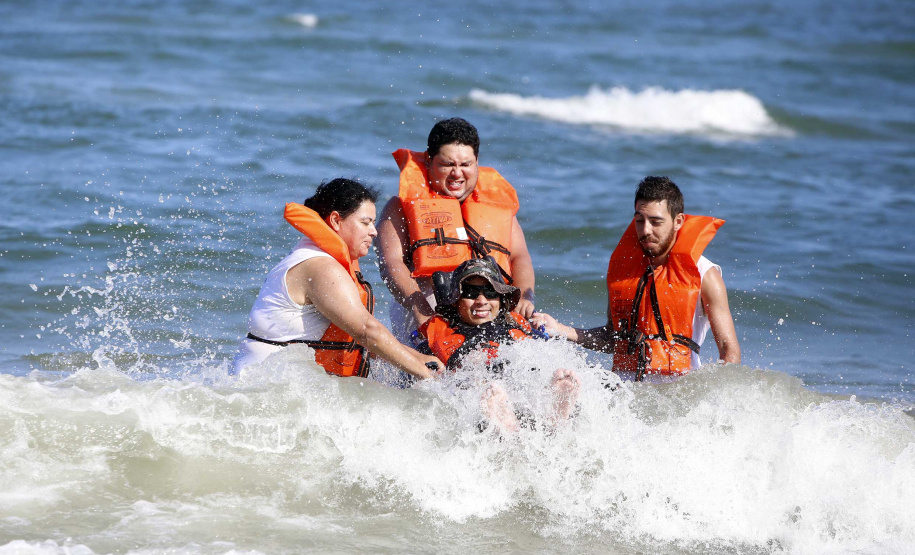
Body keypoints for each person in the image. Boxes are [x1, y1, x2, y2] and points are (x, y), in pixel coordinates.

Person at [233, 178, 443, 380]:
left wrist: (420, 358)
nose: (374, 231)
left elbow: (365, 341)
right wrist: (426, 376)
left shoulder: (313, 256)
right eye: (365, 222)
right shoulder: (321, 267)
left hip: (276, 381)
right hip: (265, 387)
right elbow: (367, 331)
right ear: (335, 220)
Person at [534, 176, 741, 381]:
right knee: (559, 379)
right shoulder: (623, 272)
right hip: (625, 394)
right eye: (640, 221)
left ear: (678, 222)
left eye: (656, 222)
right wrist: (560, 329)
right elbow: (612, 337)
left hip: (678, 393)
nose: (646, 230)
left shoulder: (704, 274)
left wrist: (716, 397)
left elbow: (729, 351)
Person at [377, 117, 536, 346]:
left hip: (486, 306)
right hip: (427, 308)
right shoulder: (400, 207)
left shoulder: (497, 207)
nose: (457, 174)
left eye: (465, 165)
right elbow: (390, 263)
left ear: (476, 162)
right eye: (447, 164)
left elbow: (520, 257)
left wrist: (524, 298)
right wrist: (419, 307)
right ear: (429, 160)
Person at [419, 258, 580, 434]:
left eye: (490, 292)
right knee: (483, 388)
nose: (482, 301)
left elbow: (541, 354)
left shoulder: (516, 324)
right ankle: (506, 425)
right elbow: (422, 369)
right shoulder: (441, 333)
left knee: (534, 374)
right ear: (456, 300)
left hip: (519, 391)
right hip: (480, 397)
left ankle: (553, 416)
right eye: (471, 293)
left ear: (501, 299)